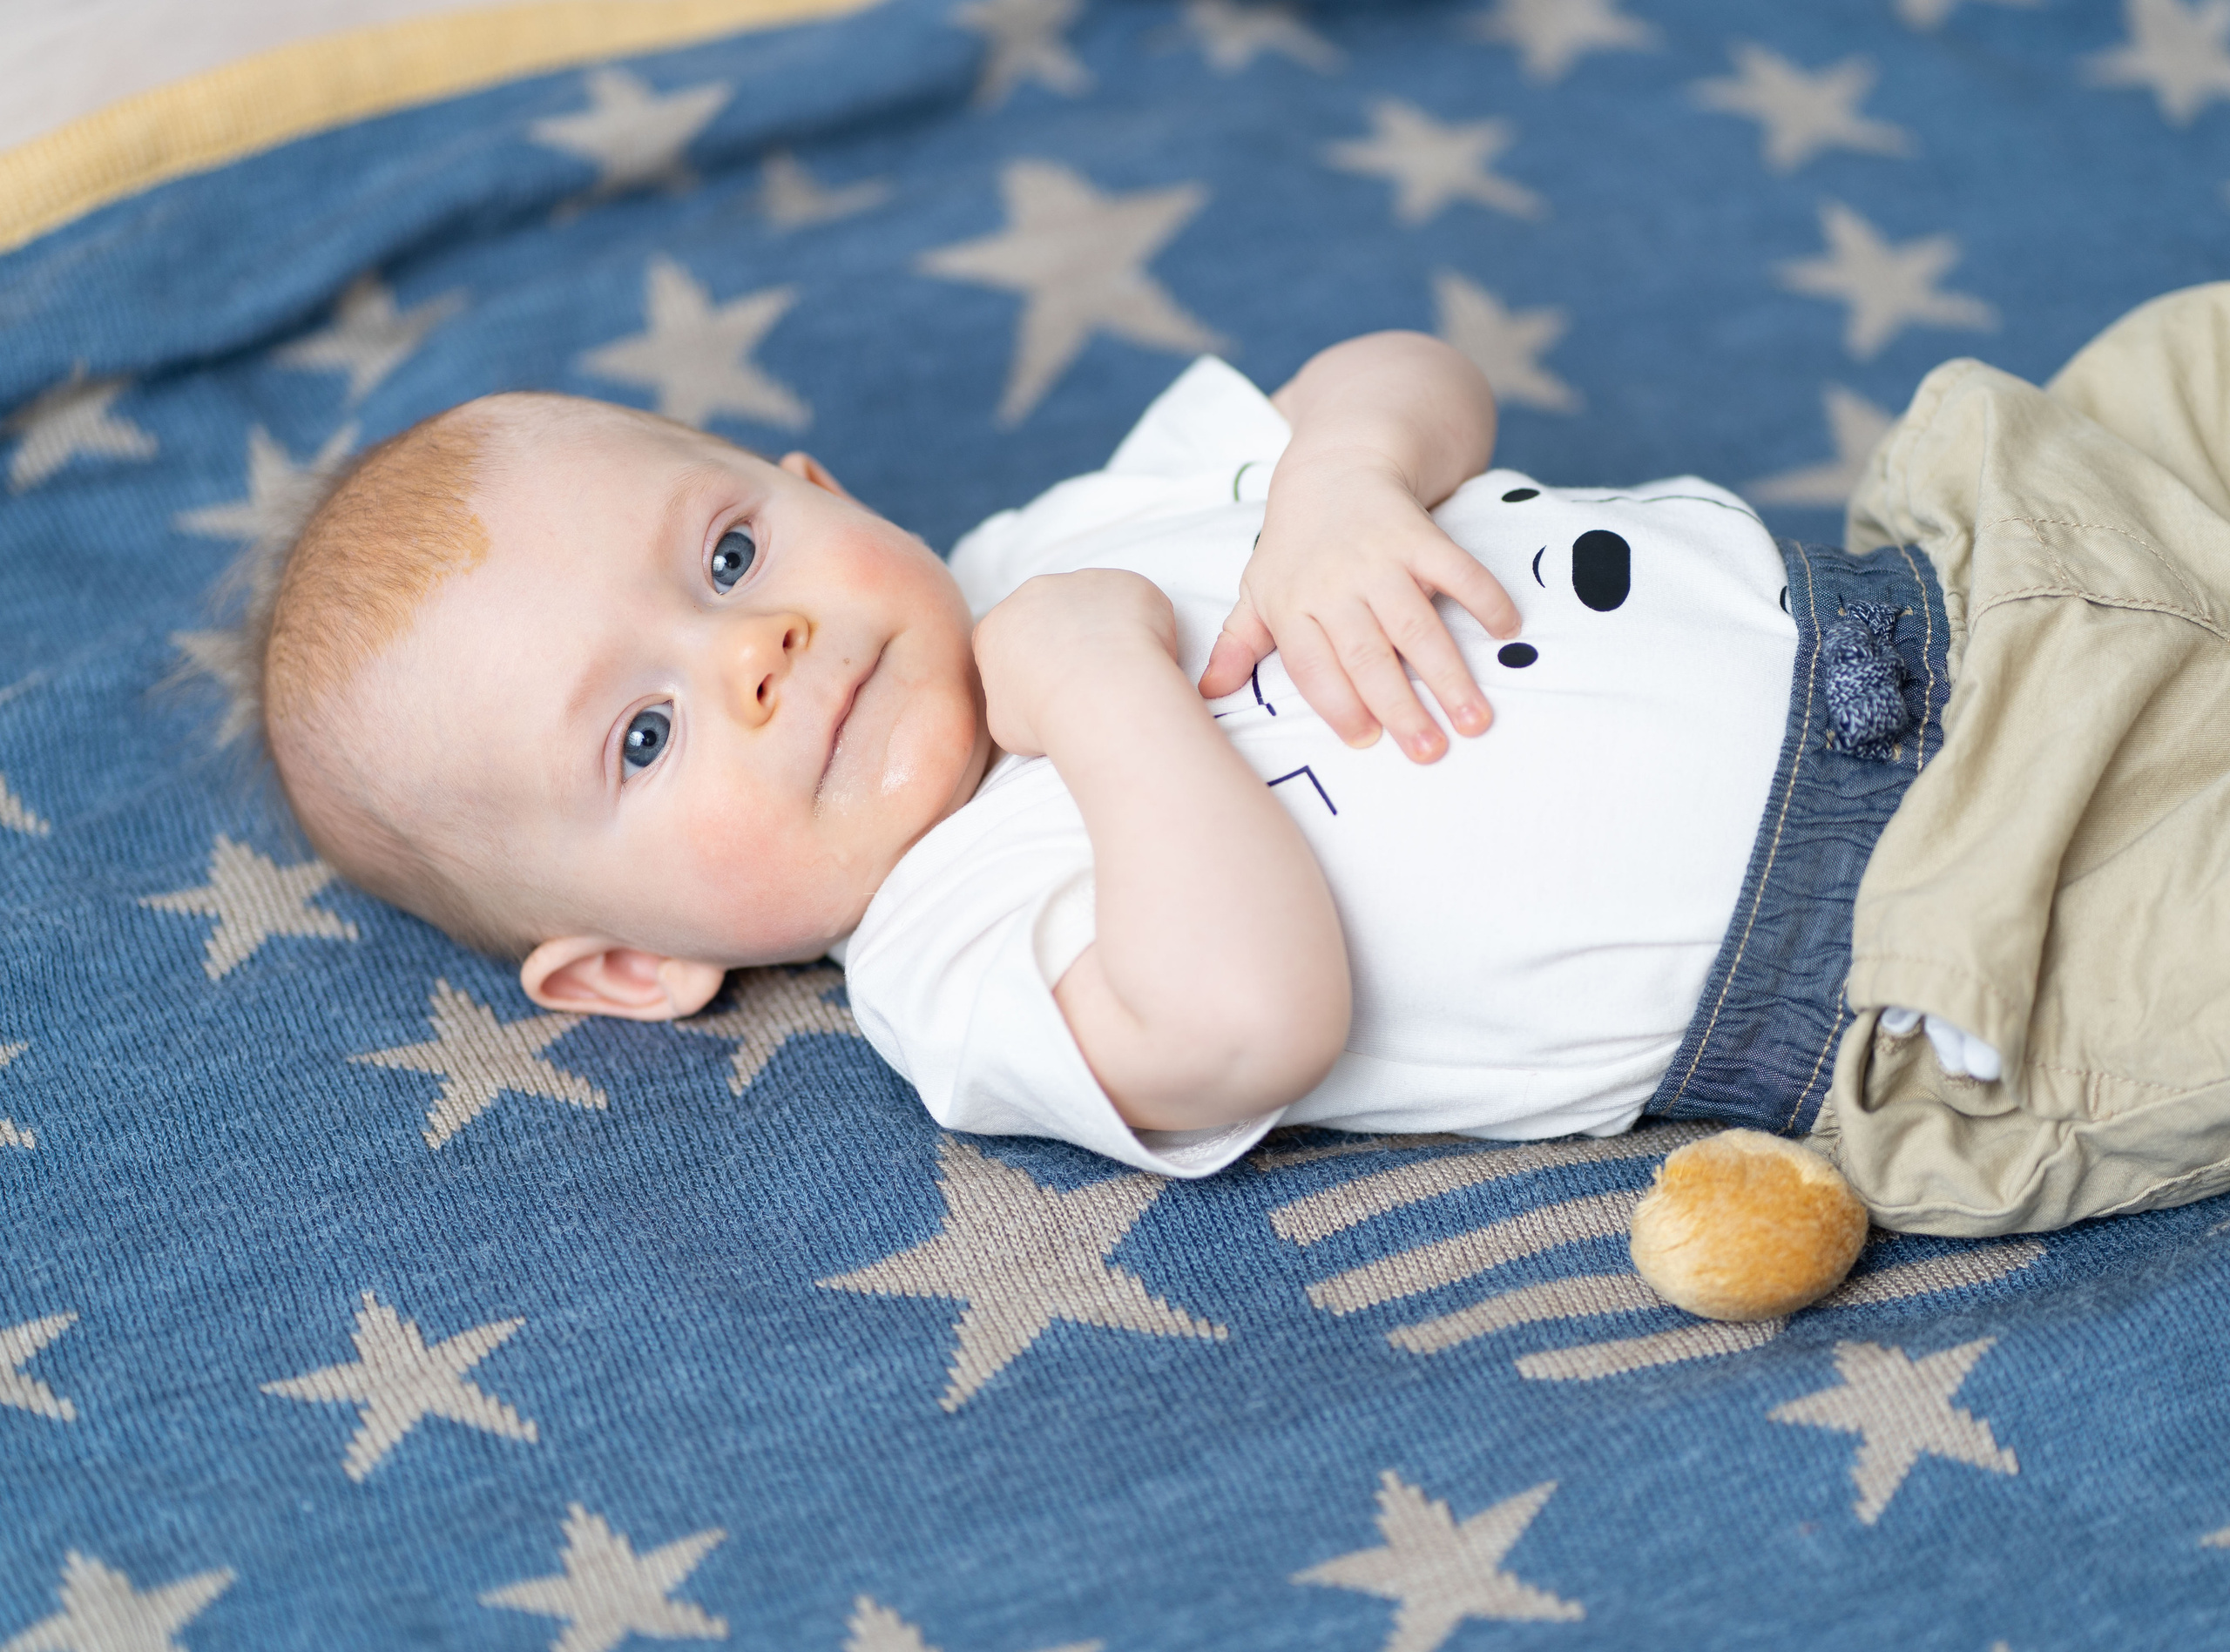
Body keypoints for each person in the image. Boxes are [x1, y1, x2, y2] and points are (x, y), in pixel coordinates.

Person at [254, 285, 2230, 1237]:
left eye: (725, 555)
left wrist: (1341, 477)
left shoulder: (1063, 526)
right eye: (647, 731)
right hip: (1953, 950)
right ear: (627, 963)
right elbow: (1244, 1016)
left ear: (808, 485)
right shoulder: (952, 959)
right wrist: (1102, 696)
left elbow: (1405, 370)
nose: (754, 650)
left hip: (1965, 561)